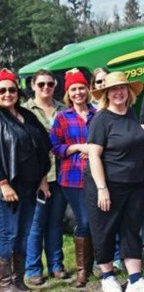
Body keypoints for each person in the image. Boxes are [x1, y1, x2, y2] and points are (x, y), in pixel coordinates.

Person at [85, 72, 144, 292]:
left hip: (135, 184)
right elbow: (94, 155)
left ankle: (135, 281)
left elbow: (143, 149)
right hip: (109, 185)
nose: (118, 92)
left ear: (129, 92)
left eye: (122, 88)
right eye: (113, 89)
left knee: (131, 229)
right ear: (106, 93)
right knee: (104, 230)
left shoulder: (131, 115)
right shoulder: (101, 118)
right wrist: (102, 188)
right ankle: (107, 277)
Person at [0, 69, 51, 292]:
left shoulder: (26, 115)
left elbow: (42, 147)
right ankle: (4, 283)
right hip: (8, 188)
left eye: (11, 89)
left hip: (31, 187)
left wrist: (42, 179)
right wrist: (3, 183)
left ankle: (18, 281)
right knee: (8, 234)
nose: (7, 93)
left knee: (23, 234)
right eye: (2, 90)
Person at [50, 69, 97, 287]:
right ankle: (82, 270)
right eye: (74, 89)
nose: (78, 92)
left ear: (88, 90)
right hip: (73, 177)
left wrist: (95, 150)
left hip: (98, 175)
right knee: (84, 221)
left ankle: (98, 263)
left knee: (98, 221)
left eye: (81, 88)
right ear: (68, 93)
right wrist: (77, 147)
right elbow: (56, 146)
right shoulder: (62, 118)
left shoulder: (97, 115)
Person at [22, 70, 67, 286]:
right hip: (37, 176)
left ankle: (57, 265)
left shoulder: (63, 108)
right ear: (33, 85)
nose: (45, 88)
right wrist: (39, 176)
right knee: (36, 224)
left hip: (62, 174)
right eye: (41, 84)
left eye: (49, 84)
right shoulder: (24, 111)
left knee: (56, 223)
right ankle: (33, 269)